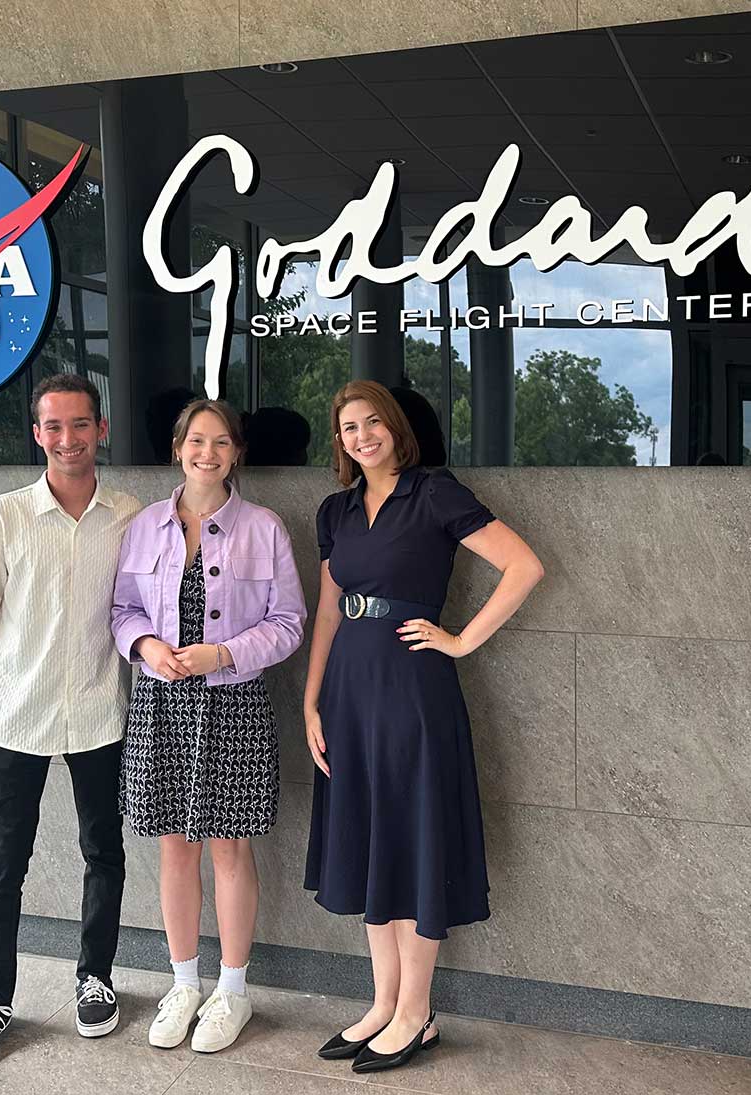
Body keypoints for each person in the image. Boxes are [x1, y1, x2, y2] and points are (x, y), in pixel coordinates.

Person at [303, 380, 544, 1075]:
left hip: (412, 690)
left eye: (372, 421)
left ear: (396, 426)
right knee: (373, 838)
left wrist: (462, 640)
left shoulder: (434, 492)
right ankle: (383, 1002)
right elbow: (327, 612)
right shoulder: (336, 510)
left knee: (410, 839)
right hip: (349, 690)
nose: (361, 435)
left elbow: (524, 565)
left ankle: (417, 1010)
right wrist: (312, 702)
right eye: (348, 426)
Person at [0, 373, 143, 1068]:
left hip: (100, 711)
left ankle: (97, 978)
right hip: (17, 715)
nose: (68, 438)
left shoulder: (129, 515)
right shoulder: (1, 517)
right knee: (3, 864)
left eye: (80, 424)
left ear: (102, 429)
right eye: (54, 426)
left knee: (104, 852)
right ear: (37, 433)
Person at [111, 398, 307, 1053]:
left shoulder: (264, 527)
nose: (207, 453)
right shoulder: (143, 526)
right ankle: (183, 983)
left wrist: (222, 653)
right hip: (161, 703)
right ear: (177, 447)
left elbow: (288, 623)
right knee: (174, 845)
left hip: (235, 702)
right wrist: (145, 646)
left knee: (230, 847)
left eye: (221, 442)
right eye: (197, 440)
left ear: (236, 453)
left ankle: (233, 990)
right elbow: (121, 608)